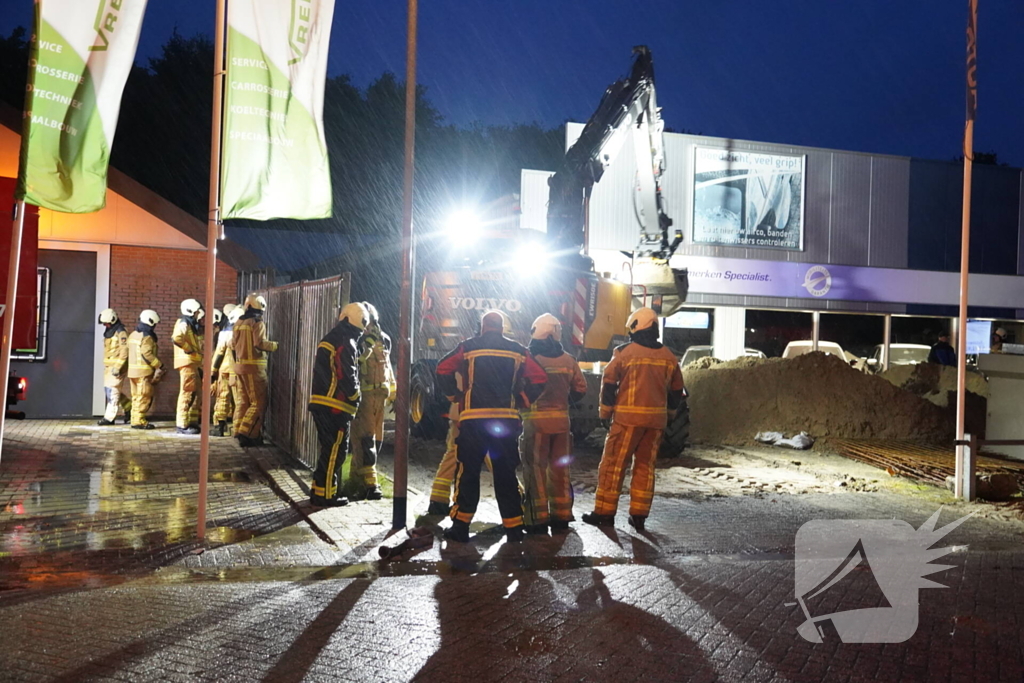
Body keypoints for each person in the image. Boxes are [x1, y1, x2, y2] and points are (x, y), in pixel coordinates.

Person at [436, 310, 547, 544]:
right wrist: (523, 399)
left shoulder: (467, 347)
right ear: (502, 327)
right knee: (505, 474)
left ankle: (461, 526)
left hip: (473, 420)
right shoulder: (518, 350)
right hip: (505, 421)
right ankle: (514, 529)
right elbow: (540, 378)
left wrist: (453, 395)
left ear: (483, 326)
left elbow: (442, 368)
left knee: (469, 473)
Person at [582, 307, 685, 532]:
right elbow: (677, 389)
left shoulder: (624, 352)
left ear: (636, 326)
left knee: (613, 466)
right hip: (656, 423)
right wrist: (669, 414)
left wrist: (605, 413)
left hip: (627, 421)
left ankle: (604, 513)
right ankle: (639, 516)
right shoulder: (668, 356)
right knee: (645, 468)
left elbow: (609, 382)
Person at [520, 313, 588, 534]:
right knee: (560, 470)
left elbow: (519, 388)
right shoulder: (568, 360)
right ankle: (561, 516)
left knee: (536, 470)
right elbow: (580, 390)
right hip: (561, 424)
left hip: (536, 424)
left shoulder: (529, 359)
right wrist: (562, 401)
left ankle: (537, 519)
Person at [308, 302, 367, 507]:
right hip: (335, 406)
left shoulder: (331, 337)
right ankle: (326, 496)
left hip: (322, 402)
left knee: (328, 449)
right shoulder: (346, 341)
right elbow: (346, 374)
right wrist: (355, 397)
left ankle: (319, 490)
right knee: (336, 451)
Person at [347, 303, 396, 500]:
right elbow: (354, 365)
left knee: (374, 439)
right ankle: (371, 484)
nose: (369, 327)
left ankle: (356, 478)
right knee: (364, 439)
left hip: (379, 397)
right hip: (364, 398)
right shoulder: (358, 341)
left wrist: (393, 392)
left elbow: (388, 367)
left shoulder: (383, 340)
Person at [231, 293, 278, 447]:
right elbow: (260, 343)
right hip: (254, 368)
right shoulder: (257, 322)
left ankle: (238, 431)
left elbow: (232, 345)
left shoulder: (239, 321)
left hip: (239, 367)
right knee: (258, 402)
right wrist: (275, 345)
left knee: (243, 401)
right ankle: (249, 434)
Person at [172, 298, 205, 435]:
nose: (198, 315)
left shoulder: (189, 324)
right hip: (187, 362)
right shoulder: (184, 323)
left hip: (192, 363)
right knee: (187, 393)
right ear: (191, 311)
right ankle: (182, 425)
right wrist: (188, 349)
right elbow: (176, 338)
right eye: (197, 312)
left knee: (195, 392)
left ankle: (191, 422)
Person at [127, 310, 164, 430]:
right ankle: (139, 421)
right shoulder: (147, 336)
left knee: (136, 396)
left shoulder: (133, 334)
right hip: (143, 372)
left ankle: (134, 419)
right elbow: (146, 353)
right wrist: (158, 365)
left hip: (132, 372)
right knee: (144, 396)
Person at [97, 308, 131, 426]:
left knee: (112, 392)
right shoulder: (111, 331)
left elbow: (125, 350)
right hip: (109, 367)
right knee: (110, 391)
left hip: (116, 368)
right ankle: (129, 407)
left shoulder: (121, 332)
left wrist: (118, 366)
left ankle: (109, 418)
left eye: (106, 323)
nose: (105, 325)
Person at [211, 304, 241, 437]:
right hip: (237, 370)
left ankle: (219, 426)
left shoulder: (224, 331)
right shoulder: (242, 330)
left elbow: (219, 352)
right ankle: (238, 428)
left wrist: (213, 371)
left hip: (224, 369)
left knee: (222, 397)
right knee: (239, 400)